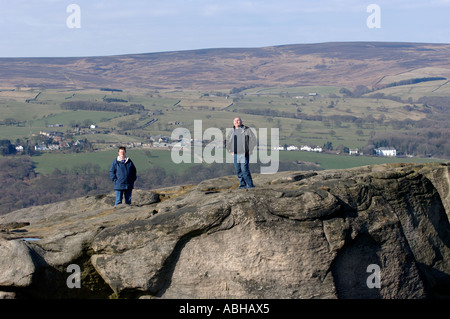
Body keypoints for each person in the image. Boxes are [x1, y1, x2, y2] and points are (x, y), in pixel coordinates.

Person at [225, 117, 256, 189]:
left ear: (241, 122)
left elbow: (253, 139)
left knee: (244, 170)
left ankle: (250, 186)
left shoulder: (247, 130)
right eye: (235, 121)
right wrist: (229, 150)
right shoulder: (232, 131)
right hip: (235, 154)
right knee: (238, 170)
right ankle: (242, 185)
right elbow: (227, 141)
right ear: (233, 122)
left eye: (238, 120)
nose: (237, 122)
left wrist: (250, 149)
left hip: (244, 153)